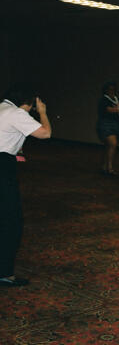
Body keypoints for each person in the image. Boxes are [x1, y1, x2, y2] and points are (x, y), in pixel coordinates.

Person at [0, 84, 51, 286]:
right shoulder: (16, 112)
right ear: (28, 103)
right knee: (11, 222)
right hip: (2, 167)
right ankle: (4, 272)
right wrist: (43, 113)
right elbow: (45, 133)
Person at [97, 81, 119, 174]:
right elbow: (108, 109)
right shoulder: (104, 100)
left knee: (109, 146)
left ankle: (104, 165)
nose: (112, 91)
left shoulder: (118, 100)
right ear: (106, 90)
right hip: (106, 124)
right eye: (110, 89)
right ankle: (109, 168)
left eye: (113, 89)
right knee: (112, 143)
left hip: (116, 124)